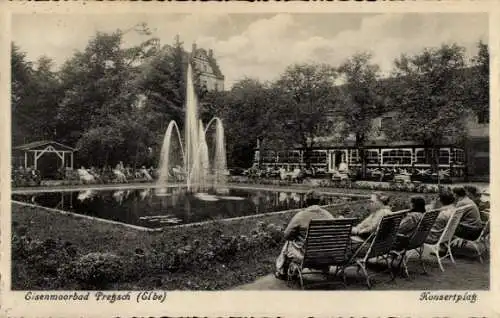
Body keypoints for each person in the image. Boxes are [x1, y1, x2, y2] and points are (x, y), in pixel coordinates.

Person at [275, 190, 335, 280]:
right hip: (327, 254)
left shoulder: (301, 215)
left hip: (307, 255)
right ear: (319, 201)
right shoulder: (328, 215)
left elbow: (287, 235)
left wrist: (295, 237)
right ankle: (323, 267)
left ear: (306, 202)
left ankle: (282, 272)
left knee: (289, 243)